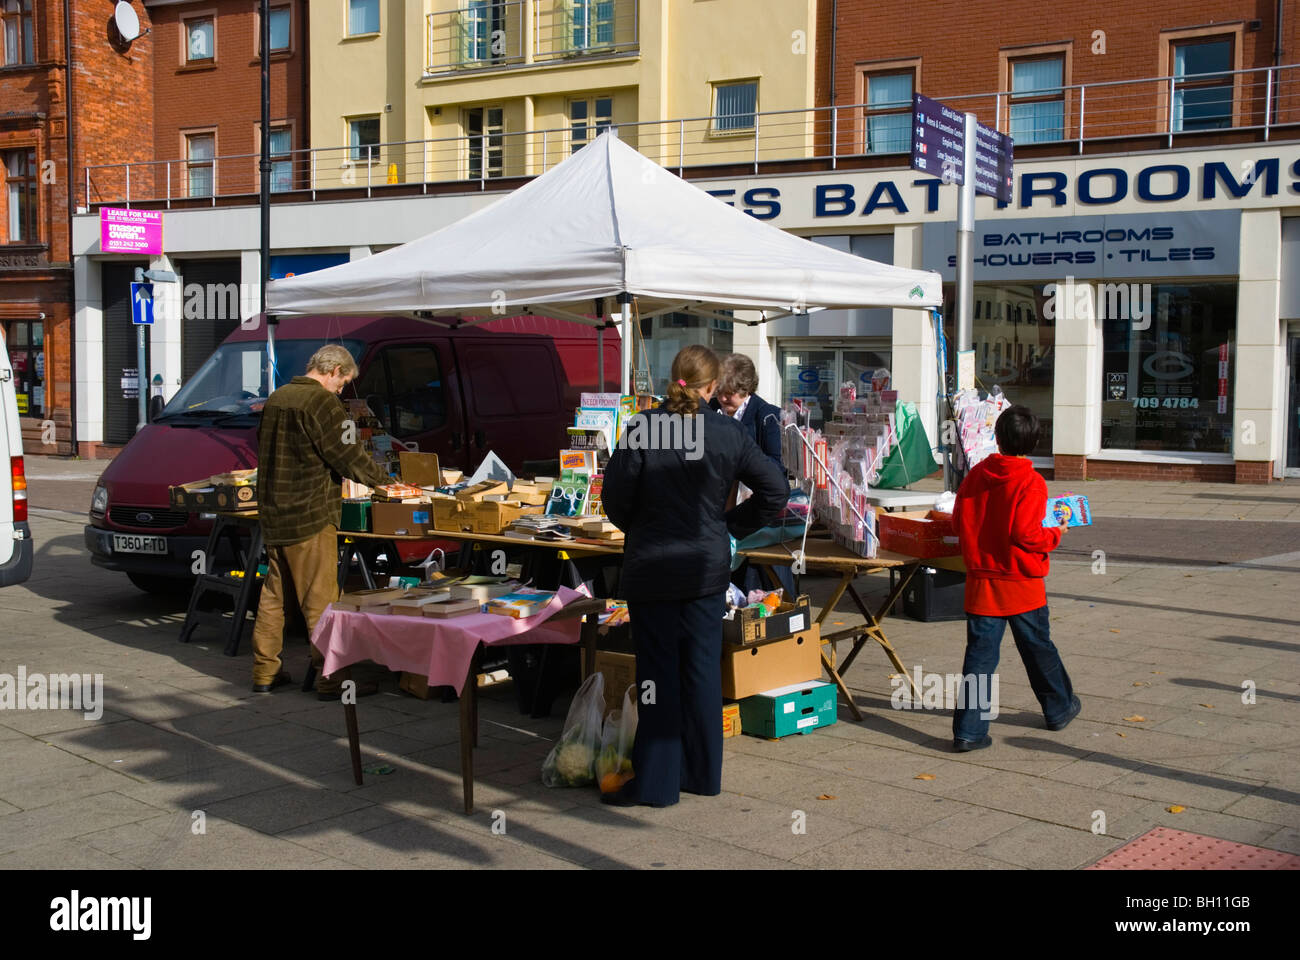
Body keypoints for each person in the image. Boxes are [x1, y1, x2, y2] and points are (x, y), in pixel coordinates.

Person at [602, 345, 788, 806]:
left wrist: (644, 529)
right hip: (704, 568)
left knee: (657, 674)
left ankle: (658, 784)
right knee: (703, 671)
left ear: (675, 379)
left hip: (653, 569)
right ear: (711, 387)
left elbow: (615, 500)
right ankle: (704, 775)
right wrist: (729, 525)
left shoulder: (643, 428)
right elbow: (777, 489)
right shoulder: (726, 430)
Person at [251, 344, 391, 699]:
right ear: (332, 371)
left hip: (274, 513)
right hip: (309, 513)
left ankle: (265, 671)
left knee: (274, 596)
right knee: (322, 601)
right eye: (343, 383)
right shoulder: (324, 404)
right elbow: (348, 455)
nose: (342, 390)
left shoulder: (278, 397)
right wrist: (386, 482)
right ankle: (332, 679)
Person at [950, 404, 1081, 751]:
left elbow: (958, 519)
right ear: (1035, 441)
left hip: (982, 583)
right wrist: (1056, 532)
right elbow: (1027, 533)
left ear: (997, 437)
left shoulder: (977, 475)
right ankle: (1059, 708)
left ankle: (969, 731)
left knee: (979, 660)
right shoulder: (1031, 481)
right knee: (1039, 649)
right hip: (1021, 582)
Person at [713, 353, 796, 597]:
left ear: (747, 388)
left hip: (753, 519)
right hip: (718, 511)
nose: (723, 398)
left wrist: (736, 463)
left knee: (755, 588)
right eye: (720, 391)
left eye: (730, 393)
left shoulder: (768, 416)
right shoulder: (710, 411)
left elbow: (776, 466)